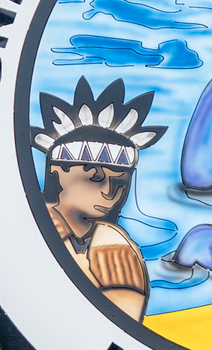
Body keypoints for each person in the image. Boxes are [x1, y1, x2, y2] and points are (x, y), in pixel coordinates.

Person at [31, 76, 165, 323]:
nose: (110, 192)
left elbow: (123, 328)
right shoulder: (28, 228)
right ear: (57, 171)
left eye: (121, 182)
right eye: (95, 177)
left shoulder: (114, 244)